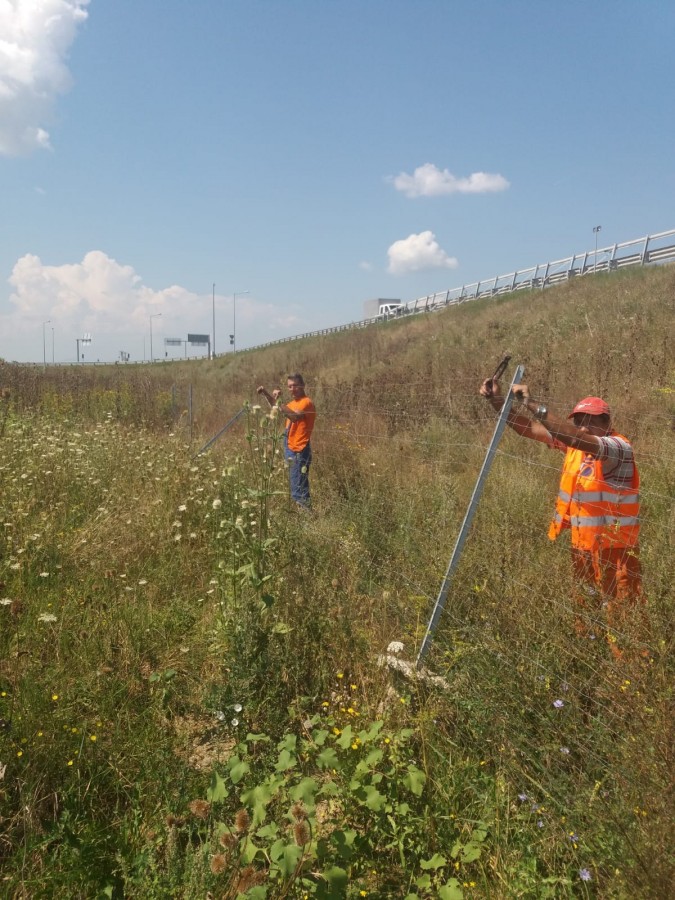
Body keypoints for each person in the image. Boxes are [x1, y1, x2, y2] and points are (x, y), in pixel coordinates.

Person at [480, 377, 642, 656]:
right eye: (578, 419)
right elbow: (528, 429)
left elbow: (574, 436)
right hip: (582, 551)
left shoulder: (618, 448)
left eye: (591, 420)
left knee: (624, 623)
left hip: (617, 553)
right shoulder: (575, 447)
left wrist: (532, 403)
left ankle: (632, 681)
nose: (583, 426)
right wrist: (497, 401)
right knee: (586, 616)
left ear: (607, 422)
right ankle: (590, 666)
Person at [257, 373, 316, 508]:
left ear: (302, 386)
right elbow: (276, 407)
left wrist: (279, 402)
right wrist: (266, 393)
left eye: (295, 385)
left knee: (298, 489)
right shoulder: (292, 403)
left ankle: (307, 518)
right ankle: (305, 516)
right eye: (289, 386)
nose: (292, 389)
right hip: (291, 447)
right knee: (296, 485)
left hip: (299, 450)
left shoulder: (306, 403)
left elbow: (294, 417)